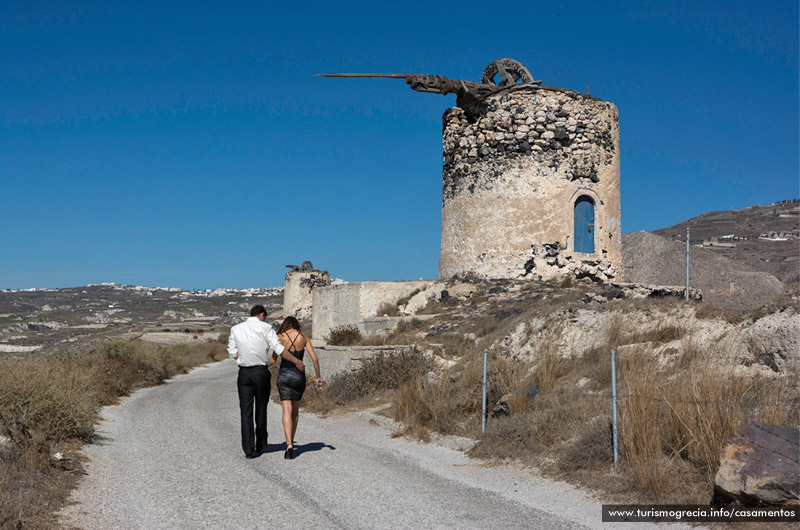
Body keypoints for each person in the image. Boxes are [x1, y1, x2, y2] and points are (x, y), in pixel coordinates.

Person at [227, 305, 285, 459]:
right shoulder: (266, 327)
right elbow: (277, 347)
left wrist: (240, 359)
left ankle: (248, 449)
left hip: (244, 372)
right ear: (261, 314)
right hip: (260, 371)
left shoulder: (236, 328)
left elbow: (232, 351)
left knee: (245, 411)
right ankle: (261, 443)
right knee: (261, 408)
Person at [275, 316, 322, 460]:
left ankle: (289, 443)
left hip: (284, 376)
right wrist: (318, 376)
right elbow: (314, 358)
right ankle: (291, 444)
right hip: (298, 377)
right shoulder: (304, 337)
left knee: (286, 410)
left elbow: (273, 359)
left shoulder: (279, 337)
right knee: (295, 411)